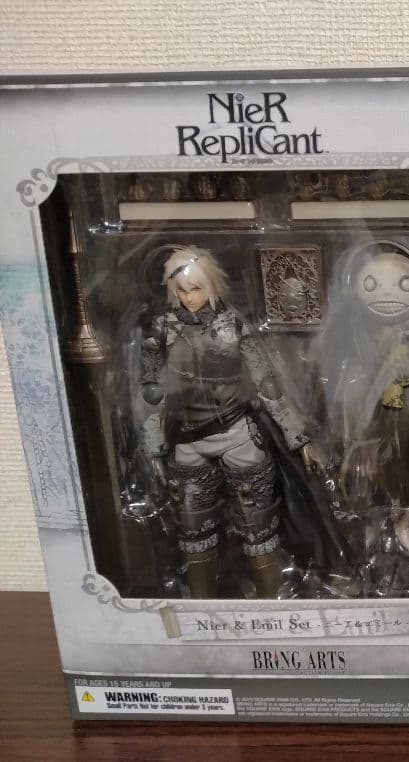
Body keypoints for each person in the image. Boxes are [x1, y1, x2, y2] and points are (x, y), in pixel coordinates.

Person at [139, 246, 325, 597]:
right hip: (188, 442)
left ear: (210, 286)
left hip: (237, 433)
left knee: (258, 529)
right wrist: (154, 448)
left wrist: (298, 438)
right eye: (182, 290)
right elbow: (151, 393)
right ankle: (203, 611)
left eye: (196, 288)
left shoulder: (234, 325)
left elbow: (267, 385)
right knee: (193, 533)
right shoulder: (160, 331)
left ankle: (271, 607)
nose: (189, 297)